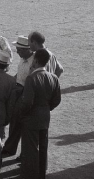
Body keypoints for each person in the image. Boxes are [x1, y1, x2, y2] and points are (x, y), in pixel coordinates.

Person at [19, 48, 61, 179]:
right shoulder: (53, 78)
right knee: (43, 148)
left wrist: (22, 114)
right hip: (45, 117)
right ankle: (41, 174)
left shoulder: (31, 78)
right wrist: (47, 108)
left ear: (36, 60)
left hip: (31, 118)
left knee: (30, 149)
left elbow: (27, 102)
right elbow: (57, 100)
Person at [2, 35, 34, 158]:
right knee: (14, 121)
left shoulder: (33, 61)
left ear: (27, 50)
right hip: (17, 91)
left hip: (26, 93)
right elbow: (20, 74)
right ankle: (10, 148)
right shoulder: (23, 59)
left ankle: (23, 152)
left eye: (19, 49)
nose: (17, 52)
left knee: (25, 124)